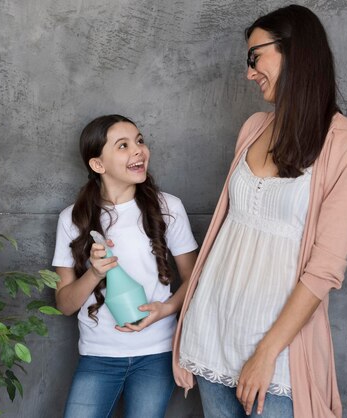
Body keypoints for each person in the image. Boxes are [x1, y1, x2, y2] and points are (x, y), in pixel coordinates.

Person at [172, 5, 347, 418]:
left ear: (294, 52)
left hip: (277, 352)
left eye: (255, 56)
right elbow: (230, 228)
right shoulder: (254, 128)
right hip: (212, 330)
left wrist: (266, 353)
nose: (249, 72)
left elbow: (324, 271)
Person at [53, 114, 198, 418]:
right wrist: (95, 272)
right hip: (98, 356)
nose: (138, 150)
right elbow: (65, 305)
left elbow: (195, 278)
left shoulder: (168, 207)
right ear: (98, 165)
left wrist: (166, 309)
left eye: (140, 141)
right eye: (123, 145)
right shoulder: (72, 218)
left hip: (155, 354)